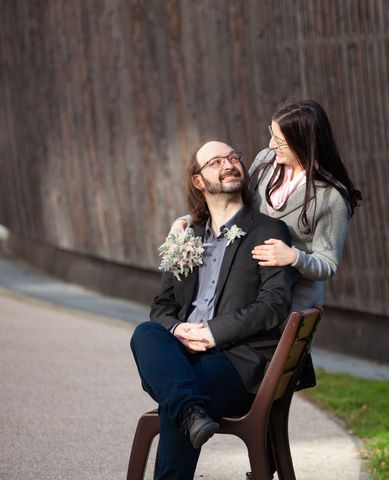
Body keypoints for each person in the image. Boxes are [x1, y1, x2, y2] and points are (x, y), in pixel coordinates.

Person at [130, 140, 298, 480]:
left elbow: (274, 305)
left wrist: (212, 333)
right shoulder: (187, 235)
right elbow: (162, 306)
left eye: (234, 157)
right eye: (216, 161)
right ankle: (192, 411)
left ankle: (188, 408)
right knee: (145, 334)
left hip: (237, 363)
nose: (230, 164)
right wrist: (179, 330)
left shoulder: (267, 231)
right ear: (198, 181)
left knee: (178, 397)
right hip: (183, 355)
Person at [172, 97, 362, 312]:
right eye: (271, 134)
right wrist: (190, 220)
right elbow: (232, 203)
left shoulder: (332, 197)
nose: (272, 145)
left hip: (286, 304)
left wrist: (294, 257)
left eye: (280, 141)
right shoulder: (266, 161)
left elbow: (327, 264)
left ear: (303, 142)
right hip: (240, 291)